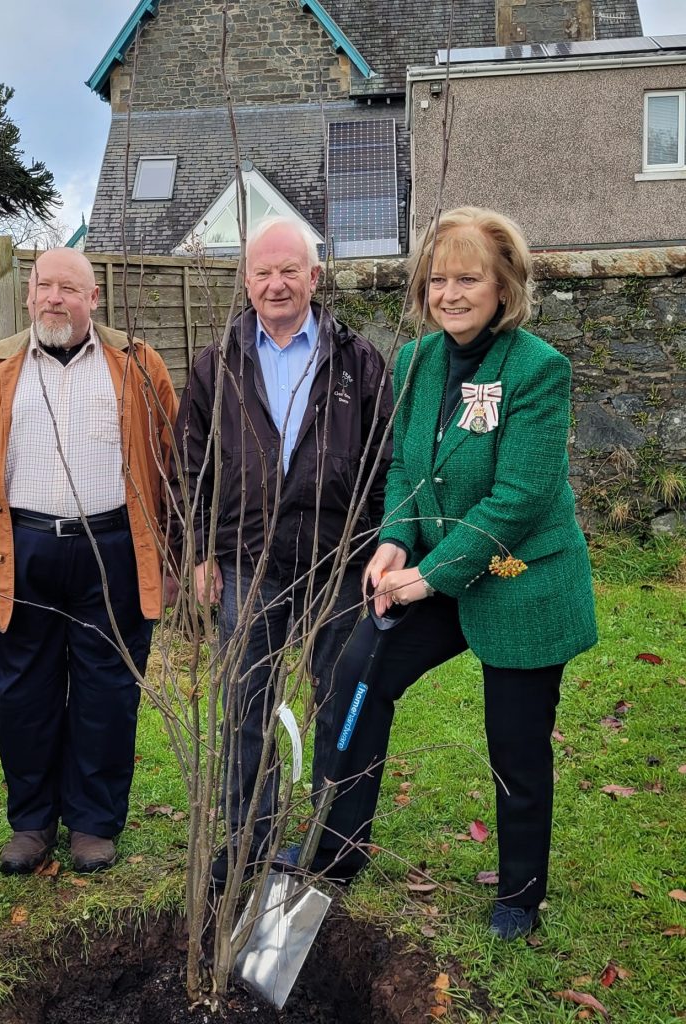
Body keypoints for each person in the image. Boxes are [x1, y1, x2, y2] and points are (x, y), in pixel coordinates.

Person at [304, 207, 597, 939]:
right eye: (437, 280)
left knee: (515, 746)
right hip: (432, 567)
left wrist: (427, 575)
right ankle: (336, 845)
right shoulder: (414, 362)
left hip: (516, 574)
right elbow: (405, 464)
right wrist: (395, 541)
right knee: (354, 675)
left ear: (504, 287)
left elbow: (518, 499)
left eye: (467, 278)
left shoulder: (537, 369)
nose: (449, 294)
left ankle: (519, 896)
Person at [0, 248, 178, 875]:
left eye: (70, 288)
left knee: (109, 692)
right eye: (44, 286)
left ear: (93, 298)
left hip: (115, 551)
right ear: (29, 294)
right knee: (23, 695)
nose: (54, 298)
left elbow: (175, 470)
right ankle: (32, 824)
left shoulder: (139, 365)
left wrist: (174, 558)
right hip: (20, 553)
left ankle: (94, 824)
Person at [171, 217, 392, 888]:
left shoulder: (358, 361)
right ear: (245, 281)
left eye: (289, 271)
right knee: (246, 704)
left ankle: (333, 843)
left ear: (314, 278)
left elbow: (385, 463)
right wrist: (200, 551)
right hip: (245, 561)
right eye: (262, 272)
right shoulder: (217, 364)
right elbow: (191, 464)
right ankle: (247, 840)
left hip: (336, 564)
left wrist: (376, 549)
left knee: (340, 702)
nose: (275, 283)